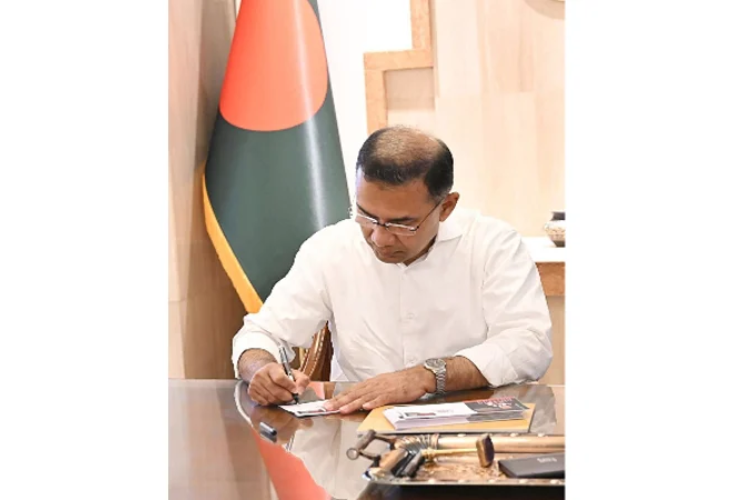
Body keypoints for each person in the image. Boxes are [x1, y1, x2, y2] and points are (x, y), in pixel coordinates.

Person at [232, 126, 553, 414]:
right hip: (359, 432)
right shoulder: (330, 248)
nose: (379, 238)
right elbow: (261, 333)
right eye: (367, 216)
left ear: (446, 207)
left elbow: (529, 345)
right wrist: (261, 369)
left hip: (471, 428)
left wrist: (427, 376)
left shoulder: (493, 244)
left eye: (402, 224)